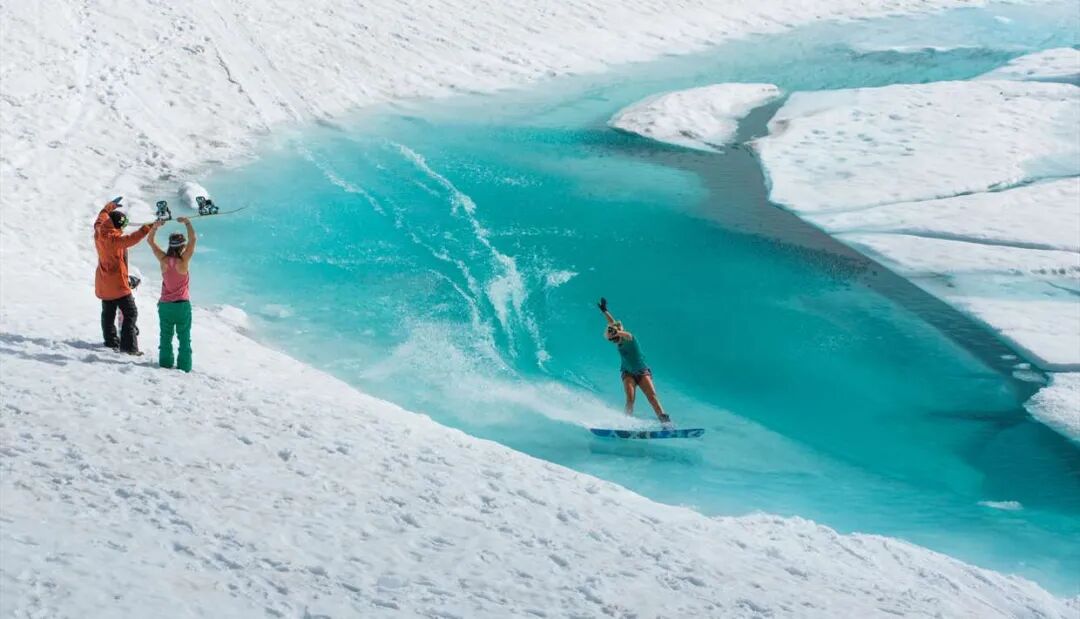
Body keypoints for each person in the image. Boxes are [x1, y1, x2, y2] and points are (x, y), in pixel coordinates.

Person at [596, 297, 672, 427]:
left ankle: (666, 423)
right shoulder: (618, 341)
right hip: (627, 372)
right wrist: (604, 311)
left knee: (652, 397)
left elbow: (626, 334)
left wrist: (617, 331)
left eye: (614, 338)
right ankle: (626, 424)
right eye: (612, 340)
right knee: (630, 399)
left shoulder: (630, 338)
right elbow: (612, 322)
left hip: (642, 371)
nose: (613, 341)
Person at [94, 197, 152, 354]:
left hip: (104, 282)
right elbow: (131, 239)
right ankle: (129, 348)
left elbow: (102, 215)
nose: (125, 228)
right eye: (123, 225)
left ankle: (110, 341)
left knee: (108, 313)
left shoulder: (99, 230)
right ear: (117, 225)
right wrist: (148, 227)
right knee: (130, 313)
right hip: (118, 285)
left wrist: (110, 206)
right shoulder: (114, 240)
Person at [148, 217, 196, 372]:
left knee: (166, 336)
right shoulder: (183, 262)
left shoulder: (163, 260)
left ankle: (165, 363)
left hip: (165, 306)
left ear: (170, 245)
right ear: (182, 246)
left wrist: (155, 227)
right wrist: (187, 223)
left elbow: (150, 241)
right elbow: (193, 240)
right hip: (182, 306)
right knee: (184, 338)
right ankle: (184, 367)